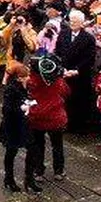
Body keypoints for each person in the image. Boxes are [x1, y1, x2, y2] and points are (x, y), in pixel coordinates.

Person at [26, 53, 72, 191]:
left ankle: (38, 171)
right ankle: (59, 171)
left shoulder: (31, 82)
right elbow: (67, 92)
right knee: (57, 145)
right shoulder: (58, 82)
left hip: (36, 119)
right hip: (55, 119)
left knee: (38, 146)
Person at [0, 62, 33, 192]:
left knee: (29, 148)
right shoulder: (11, 89)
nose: (28, 78)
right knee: (11, 152)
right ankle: (9, 178)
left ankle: (28, 178)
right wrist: (22, 108)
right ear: (19, 77)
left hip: (20, 124)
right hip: (12, 126)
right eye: (26, 76)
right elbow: (7, 109)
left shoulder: (21, 87)